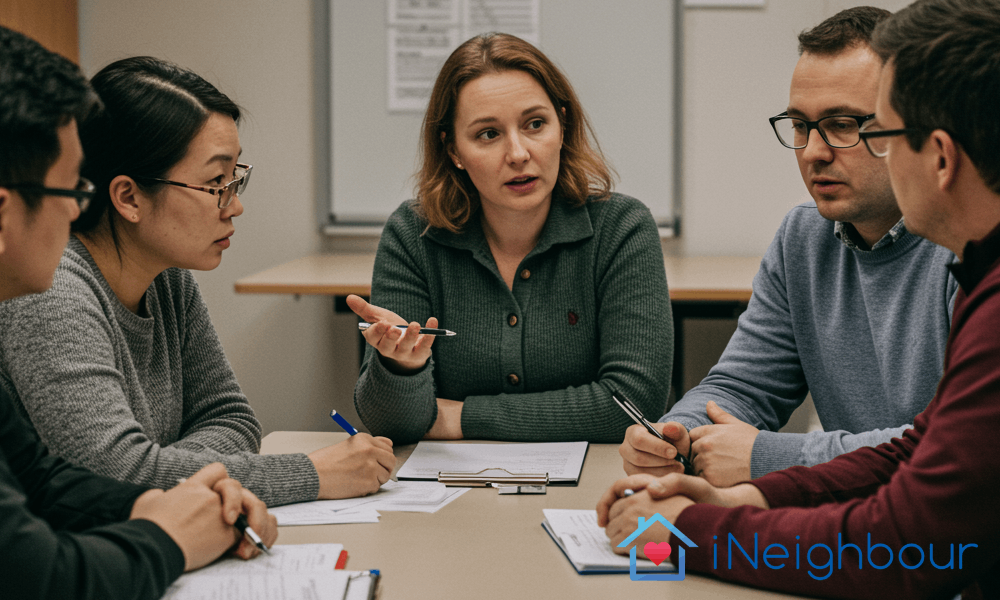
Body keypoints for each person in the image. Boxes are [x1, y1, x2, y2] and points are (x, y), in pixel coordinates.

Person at [599, 0, 1000, 596]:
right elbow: (923, 441)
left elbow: (910, 537)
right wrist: (734, 484)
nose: (813, 151)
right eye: (801, 126)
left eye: (865, 129)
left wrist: (696, 527)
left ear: (938, 155)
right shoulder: (979, 268)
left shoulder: (975, 278)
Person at [0, 56, 395, 507]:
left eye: (235, 179)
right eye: (215, 182)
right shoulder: (52, 292)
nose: (234, 206)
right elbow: (115, 475)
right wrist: (310, 474)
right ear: (129, 197)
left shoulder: (168, 278)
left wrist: (163, 468)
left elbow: (232, 419)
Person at [618, 6, 957, 487]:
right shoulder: (804, 236)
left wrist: (770, 456)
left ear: (910, 124)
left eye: (843, 124)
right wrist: (678, 435)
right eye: (800, 125)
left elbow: (954, 447)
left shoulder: (964, 243)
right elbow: (743, 387)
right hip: (857, 510)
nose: (814, 152)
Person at [0, 25, 276, 599]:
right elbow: (39, 573)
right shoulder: (48, 294)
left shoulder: (166, 274)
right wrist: (172, 532)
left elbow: (46, 480)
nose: (81, 209)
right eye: (69, 192)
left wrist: (165, 498)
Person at [348, 32, 672, 444]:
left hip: (597, 487)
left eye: (535, 124)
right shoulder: (415, 235)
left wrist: (460, 418)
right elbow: (393, 426)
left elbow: (632, 405)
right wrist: (401, 369)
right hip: (451, 494)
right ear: (454, 152)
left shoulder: (622, 228)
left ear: (562, 124)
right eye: (488, 134)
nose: (518, 153)